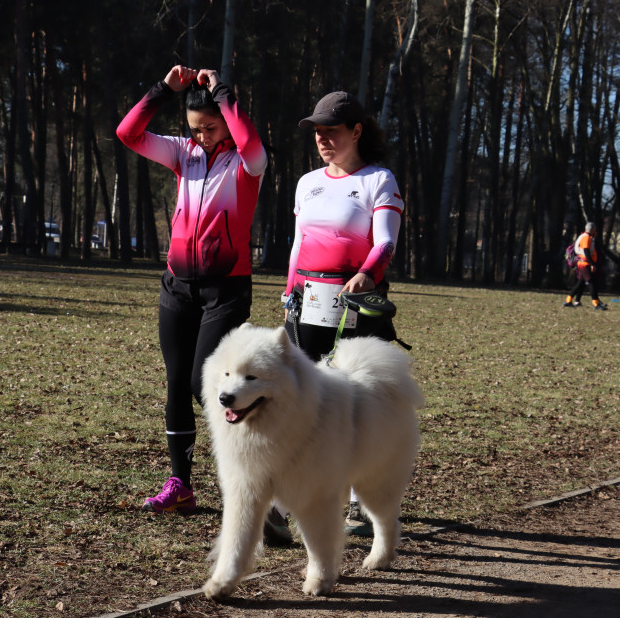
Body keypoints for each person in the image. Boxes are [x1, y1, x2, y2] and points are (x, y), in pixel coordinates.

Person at [117, 65, 268, 518]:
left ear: (225, 119)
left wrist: (222, 92)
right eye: (194, 129)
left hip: (226, 289)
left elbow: (252, 144)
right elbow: (127, 133)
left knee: (210, 387)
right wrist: (163, 88)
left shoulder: (247, 162)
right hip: (177, 287)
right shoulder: (184, 154)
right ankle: (179, 484)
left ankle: (253, 479)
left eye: (209, 127)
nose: (201, 136)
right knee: (177, 385)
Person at [283, 91, 405, 536]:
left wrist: (367, 275)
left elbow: (385, 242)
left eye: (331, 130)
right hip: (308, 302)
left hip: (357, 301)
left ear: (356, 131)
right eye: (317, 132)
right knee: (302, 398)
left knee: (357, 399)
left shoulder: (379, 180)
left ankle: (358, 502)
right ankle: (292, 498)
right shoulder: (307, 183)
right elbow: (298, 244)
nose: (322, 139)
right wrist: (289, 289)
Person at [564, 222, 608, 310]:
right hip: (585, 264)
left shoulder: (584, 236)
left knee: (580, 284)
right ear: (592, 230)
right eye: (595, 230)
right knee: (591, 282)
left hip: (582, 263)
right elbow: (586, 252)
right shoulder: (586, 238)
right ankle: (596, 304)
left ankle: (568, 301)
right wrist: (592, 263)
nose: (596, 232)